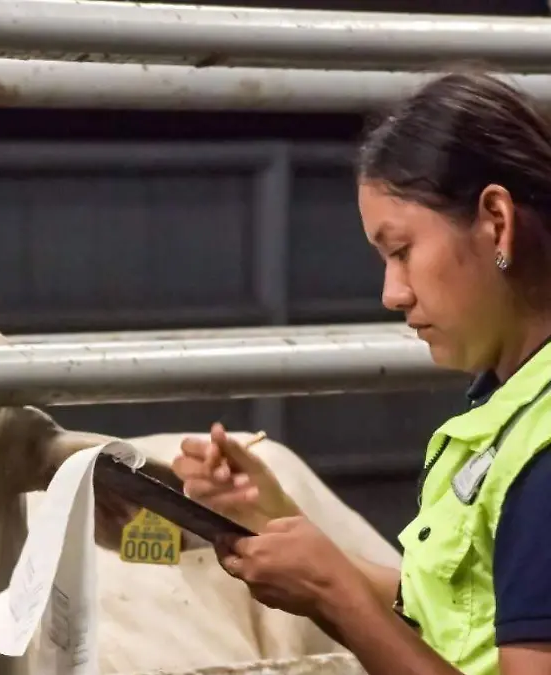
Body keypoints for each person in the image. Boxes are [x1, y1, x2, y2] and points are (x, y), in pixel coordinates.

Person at [172, 69, 551, 675]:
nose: (391, 293)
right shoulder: (510, 402)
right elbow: (454, 612)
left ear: (496, 222)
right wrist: (274, 518)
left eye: (401, 251)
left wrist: (335, 596)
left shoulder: (545, 453)